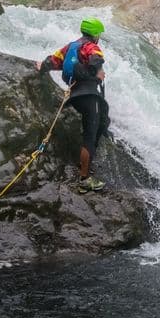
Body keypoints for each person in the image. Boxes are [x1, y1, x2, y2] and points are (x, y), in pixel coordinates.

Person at [36, 17, 110, 193]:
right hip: (90, 95)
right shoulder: (91, 47)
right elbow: (95, 61)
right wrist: (97, 74)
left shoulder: (70, 47)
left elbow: (52, 61)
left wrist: (41, 67)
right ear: (96, 34)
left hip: (74, 95)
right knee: (90, 136)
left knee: (99, 126)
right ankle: (84, 179)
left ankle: (84, 164)